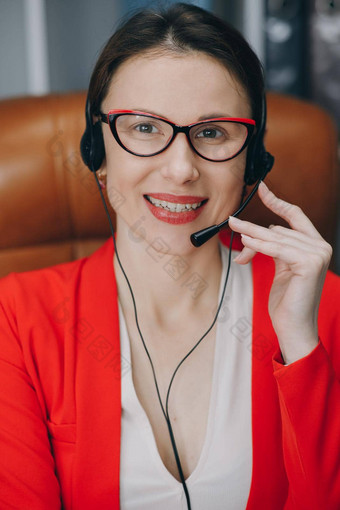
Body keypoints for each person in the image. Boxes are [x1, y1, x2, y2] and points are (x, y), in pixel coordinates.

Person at [0, 3, 339, 509]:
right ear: (97, 150)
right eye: (144, 128)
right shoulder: (15, 316)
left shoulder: (321, 306)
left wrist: (300, 347)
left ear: (253, 159)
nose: (181, 169)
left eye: (212, 133)